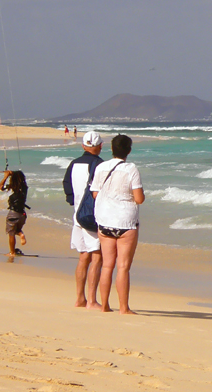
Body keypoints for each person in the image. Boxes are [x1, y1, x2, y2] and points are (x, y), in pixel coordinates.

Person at [91, 134, 144, 314]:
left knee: (107, 265)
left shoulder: (101, 167)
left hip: (105, 220)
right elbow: (139, 198)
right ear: (129, 150)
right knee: (123, 267)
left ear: (111, 149)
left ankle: (104, 305)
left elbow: (95, 194)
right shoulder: (131, 169)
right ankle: (123, 307)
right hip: (125, 221)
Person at [63, 131, 104, 309]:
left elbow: (66, 185)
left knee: (83, 257)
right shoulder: (99, 164)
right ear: (100, 146)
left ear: (83, 146)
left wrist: (74, 202)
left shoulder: (74, 163)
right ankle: (92, 300)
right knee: (96, 256)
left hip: (77, 214)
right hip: (91, 216)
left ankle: (80, 298)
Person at [0, 170, 29, 257]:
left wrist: (6, 176)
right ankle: (21, 234)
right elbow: (21, 179)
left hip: (13, 213)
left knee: (11, 233)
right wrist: (14, 174)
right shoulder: (24, 188)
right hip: (22, 214)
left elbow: (0, 187)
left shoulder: (10, 188)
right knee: (16, 230)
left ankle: (12, 252)